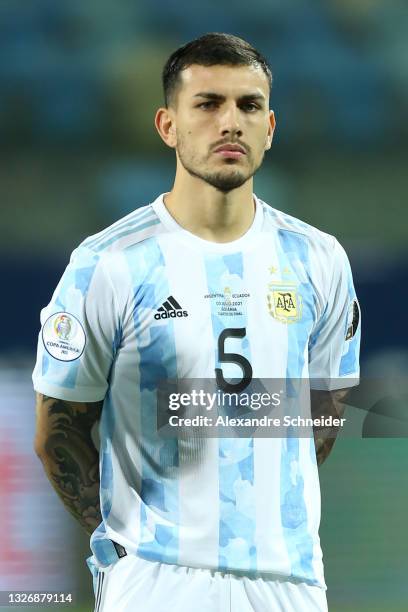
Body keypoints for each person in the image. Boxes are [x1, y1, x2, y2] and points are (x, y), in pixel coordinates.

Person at [32, 33, 361, 612]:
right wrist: (125, 542)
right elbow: (58, 431)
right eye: (208, 104)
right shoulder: (108, 264)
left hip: (290, 581)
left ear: (270, 127)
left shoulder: (319, 258)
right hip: (158, 580)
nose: (230, 122)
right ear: (168, 125)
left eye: (248, 105)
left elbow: (321, 415)